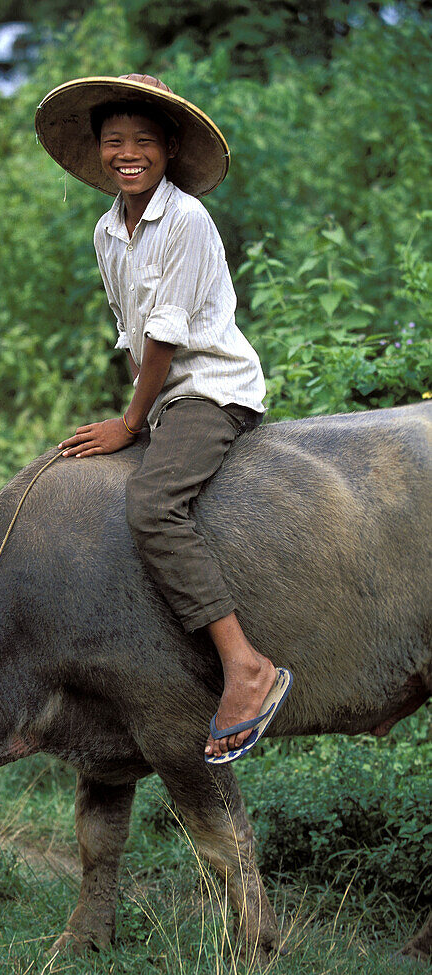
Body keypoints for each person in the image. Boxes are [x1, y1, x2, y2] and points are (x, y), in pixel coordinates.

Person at [35, 74, 292, 764]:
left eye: (142, 141)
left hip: (208, 388)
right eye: (114, 141)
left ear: (168, 148)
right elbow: (128, 332)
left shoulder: (183, 218)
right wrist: (137, 420)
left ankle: (244, 664)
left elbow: (165, 339)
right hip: (164, 396)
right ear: (96, 151)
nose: (127, 153)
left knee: (151, 506)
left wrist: (129, 422)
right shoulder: (105, 229)